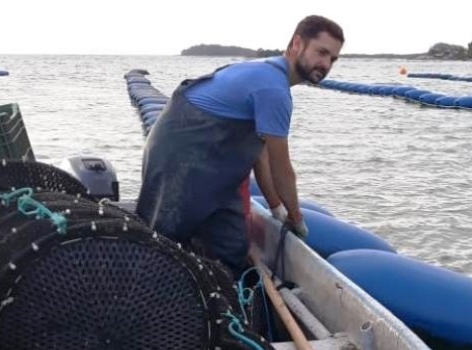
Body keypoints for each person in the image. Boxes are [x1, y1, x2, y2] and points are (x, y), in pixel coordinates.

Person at [136, 15, 344, 276]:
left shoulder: (267, 76)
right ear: (297, 44)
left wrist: (275, 207)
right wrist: (296, 218)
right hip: (179, 157)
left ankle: (221, 306)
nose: (325, 64)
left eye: (333, 59)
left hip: (217, 171)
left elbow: (260, 155)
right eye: (321, 52)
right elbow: (283, 171)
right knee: (163, 243)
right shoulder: (273, 89)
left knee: (232, 248)